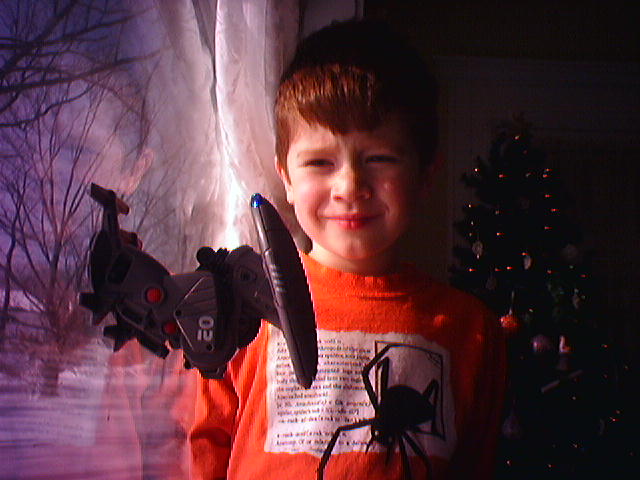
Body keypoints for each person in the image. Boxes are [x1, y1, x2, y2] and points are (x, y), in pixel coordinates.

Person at [189, 20, 506, 480]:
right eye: (320, 162)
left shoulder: (471, 330)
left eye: (380, 159)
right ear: (286, 178)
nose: (350, 187)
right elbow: (203, 448)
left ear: (425, 175)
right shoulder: (239, 312)